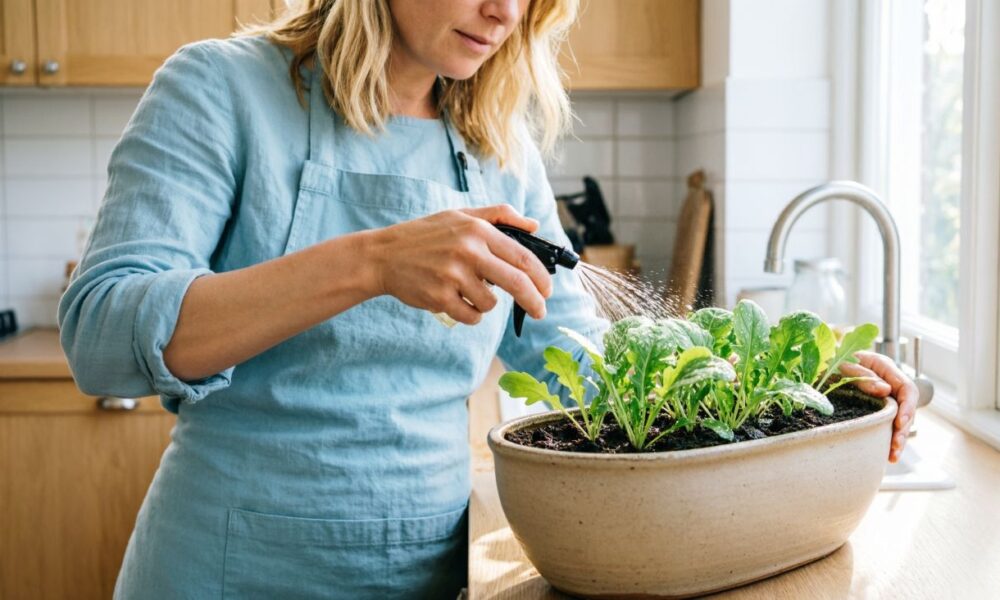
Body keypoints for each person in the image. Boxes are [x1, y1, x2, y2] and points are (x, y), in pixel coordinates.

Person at [56, 1, 917, 598]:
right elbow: (100, 334)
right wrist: (372, 261)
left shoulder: (496, 147)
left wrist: (796, 394)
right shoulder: (221, 88)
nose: (505, 12)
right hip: (232, 566)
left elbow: (587, 361)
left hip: (434, 567)